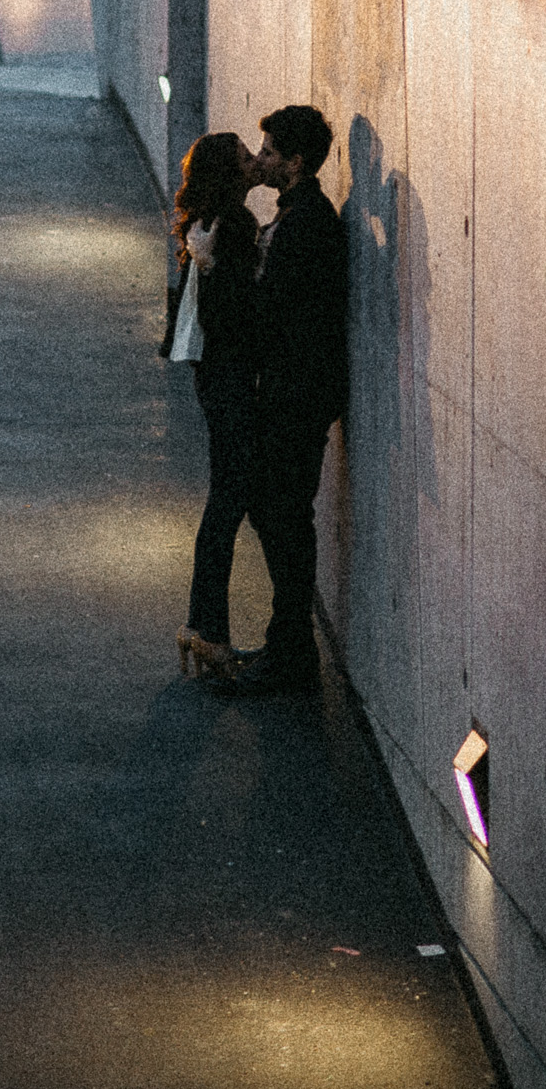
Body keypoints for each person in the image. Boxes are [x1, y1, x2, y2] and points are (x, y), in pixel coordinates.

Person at [214, 104, 348, 697]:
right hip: (296, 392)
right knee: (280, 513)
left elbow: (275, 312)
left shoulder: (306, 223)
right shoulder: (300, 215)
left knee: (284, 515)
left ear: (295, 163)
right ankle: (287, 644)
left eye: (270, 153)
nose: (261, 160)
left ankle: (291, 651)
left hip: (297, 396)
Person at [160, 132, 264, 680]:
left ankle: (201, 628)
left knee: (223, 501)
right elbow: (233, 311)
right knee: (229, 501)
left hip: (210, 375)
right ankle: (210, 634)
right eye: (247, 158)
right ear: (230, 172)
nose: (255, 163)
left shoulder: (206, 220)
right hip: (230, 375)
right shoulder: (237, 224)